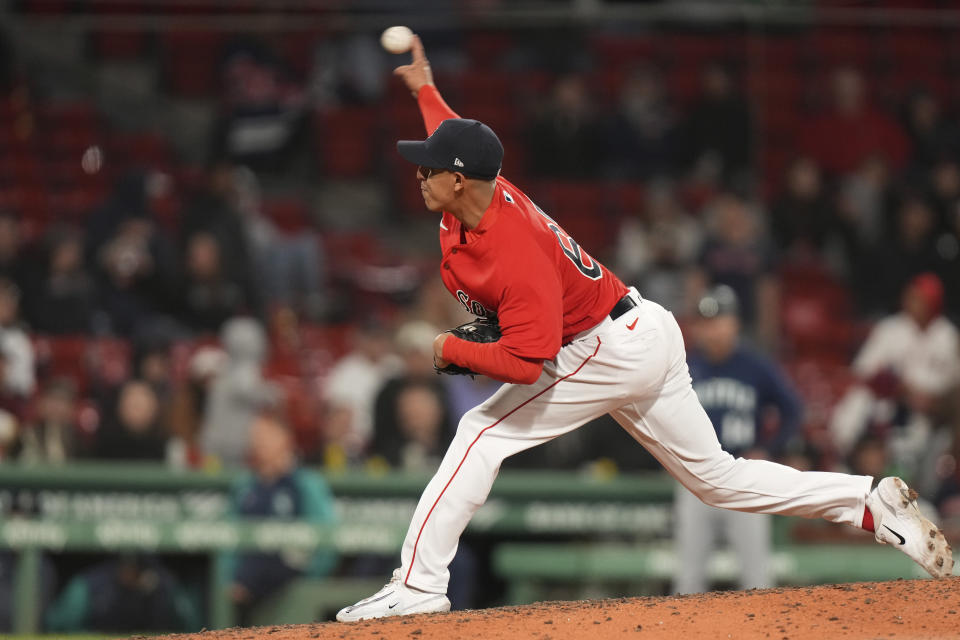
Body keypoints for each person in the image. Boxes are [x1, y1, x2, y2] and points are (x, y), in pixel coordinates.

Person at [336, 36, 953, 622]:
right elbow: (452, 136)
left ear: (460, 180)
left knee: (479, 430)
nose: (419, 173)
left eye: (428, 169)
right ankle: (867, 503)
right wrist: (425, 91)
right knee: (716, 478)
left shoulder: (513, 251)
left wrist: (448, 349)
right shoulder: (480, 190)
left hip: (600, 348)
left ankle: (419, 586)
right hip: (642, 329)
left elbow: (529, 362)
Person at [674, 286, 803, 594]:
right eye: (705, 322)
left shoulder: (755, 366)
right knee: (688, 578)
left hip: (742, 476)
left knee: (756, 576)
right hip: (695, 477)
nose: (712, 329)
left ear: (735, 323)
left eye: (719, 320)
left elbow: (793, 409)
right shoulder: (686, 365)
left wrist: (769, 450)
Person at [227, 413, 337, 621]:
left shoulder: (306, 485)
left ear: (285, 438)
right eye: (255, 436)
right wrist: (229, 576)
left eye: (266, 435)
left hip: (292, 572)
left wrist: (312, 576)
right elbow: (227, 538)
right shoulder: (244, 486)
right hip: (245, 575)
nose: (258, 442)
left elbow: (326, 538)